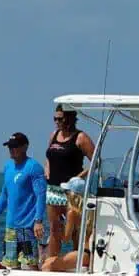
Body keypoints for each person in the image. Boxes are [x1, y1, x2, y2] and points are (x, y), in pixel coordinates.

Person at [0, 132, 47, 270]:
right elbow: (5, 193)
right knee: (10, 265)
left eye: (15, 146)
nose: (11, 150)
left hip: (27, 228)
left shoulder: (33, 167)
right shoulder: (8, 166)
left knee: (30, 264)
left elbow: (41, 195)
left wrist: (38, 221)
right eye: (10, 147)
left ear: (25, 147)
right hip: (11, 228)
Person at [44, 104, 95, 259]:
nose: (57, 122)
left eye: (60, 118)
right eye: (55, 118)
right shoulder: (54, 135)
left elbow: (95, 161)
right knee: (54, 229)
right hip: (53, 189)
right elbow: (49, 155)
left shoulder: (80, 137)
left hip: (71, 190)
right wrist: (47, 168)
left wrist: (79, 177)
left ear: (70, 118)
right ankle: (52, 261)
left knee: (74, 229)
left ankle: (76, 260)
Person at [41, 176, 93, 272]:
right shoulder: (90, 211)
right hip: (90, 254)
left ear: (72, 194)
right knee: (51, 262)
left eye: (66, 192)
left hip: (82, 254)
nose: (65, 195)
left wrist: (58, 226)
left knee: (48, 265)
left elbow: (66, 239)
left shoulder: (72, 213)